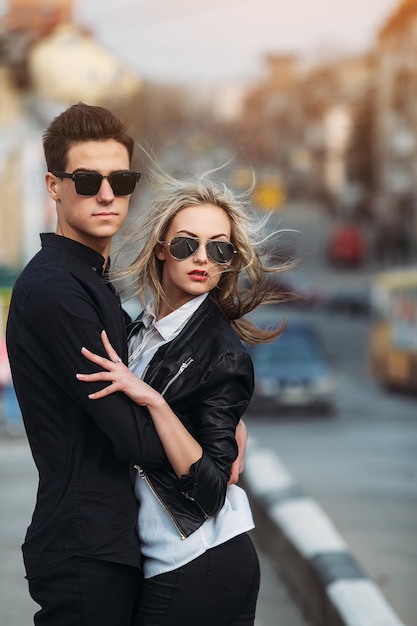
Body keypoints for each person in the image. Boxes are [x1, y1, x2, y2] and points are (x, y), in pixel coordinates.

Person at [76, 169, 291, 625]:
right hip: (176, 561)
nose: (201, 258)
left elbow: (211, 492)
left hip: (195, 560)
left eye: (219, 248)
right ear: (160, 248)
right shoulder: (140, 332)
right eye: (185, 243)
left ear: (230, 259)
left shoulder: (223, 353)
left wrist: (155, 402)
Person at [5, 102, 175, 626]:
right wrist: (204, 441)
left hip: (106, 540)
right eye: (87, 179)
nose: (107, 194)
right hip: (85, 548)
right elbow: (131, 433)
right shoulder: (58, 289)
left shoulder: (90, 280)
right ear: (54, 185)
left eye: (120, 179)